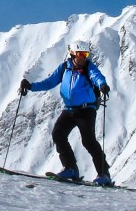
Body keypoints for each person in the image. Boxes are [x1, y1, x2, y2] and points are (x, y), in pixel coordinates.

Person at [20, 41, 113, 186]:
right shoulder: (64, 68)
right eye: (80, 54)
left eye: (85, 54)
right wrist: (30, 86)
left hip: (86, 110)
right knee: (58, 134)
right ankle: (70, 168)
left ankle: (104, 174)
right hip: (69, 110)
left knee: (88, 141)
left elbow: (97, 76)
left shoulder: (89, 67)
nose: (83, 57)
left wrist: (103, 85)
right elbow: (49, 82)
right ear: (73, 54)